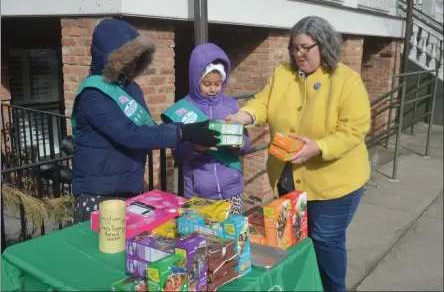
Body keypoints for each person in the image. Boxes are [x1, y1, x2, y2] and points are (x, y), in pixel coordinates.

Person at [226, 16, 371, 291]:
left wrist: (318, 147)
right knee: (295, 241)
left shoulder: (346, 81)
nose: (298, 54)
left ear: (324, 45)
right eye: (294, 47)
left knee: (325, 240)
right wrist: (242, 117)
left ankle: (332, 287)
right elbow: (263, 103)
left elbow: (354, 129)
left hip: (335, 184)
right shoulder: (283, 74)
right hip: (289, 179)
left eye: (306, 47)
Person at [71, 19, 220, 223]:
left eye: (137, 57)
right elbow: (130, 134)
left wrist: (190, 138)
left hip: (129, 187)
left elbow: (148, 130)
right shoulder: (93, 94)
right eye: (128, 57)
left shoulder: (132, 89)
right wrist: (183, 132)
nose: (133, 63)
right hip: (99, 193)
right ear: (111, 58)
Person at [161, 43, 251, 215]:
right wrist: (195, 147)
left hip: (231, 189)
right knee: (202, 238)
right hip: (198, 192)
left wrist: (239, 144)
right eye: (207, 83)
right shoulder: (183, 109)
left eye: (218, 83)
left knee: (232, 236)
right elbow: (177, 153)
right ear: (196, 79)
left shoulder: (230, 104)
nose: (213, 89)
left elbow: (246, 139)